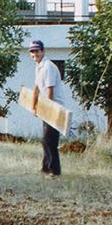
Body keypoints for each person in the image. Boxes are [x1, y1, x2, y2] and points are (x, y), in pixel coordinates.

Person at [29, 39, 67, 178]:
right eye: (32, 52)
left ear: (43, 52)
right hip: (46, 107)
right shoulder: (38, 67)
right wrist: (34, 107)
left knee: (50, 140)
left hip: (55, 107)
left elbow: (50, 89)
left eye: (37, 51)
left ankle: (54, 171)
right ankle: (45, 168)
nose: (34, 54)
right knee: (45, 139)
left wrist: (48, 109)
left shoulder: (48, 66)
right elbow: (37, 88)